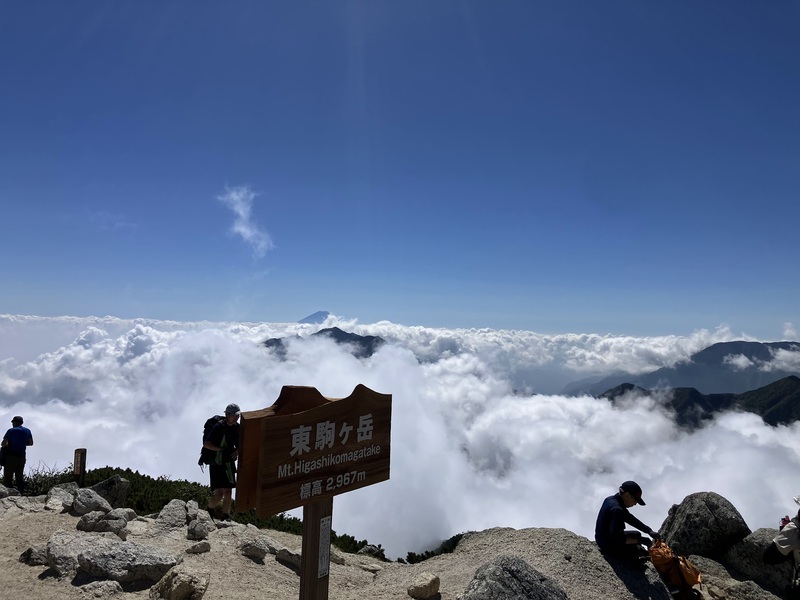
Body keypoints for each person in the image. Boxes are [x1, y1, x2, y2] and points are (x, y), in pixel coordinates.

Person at [595, 480, 661, 570]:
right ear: (627, 495)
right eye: (635, 500)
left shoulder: (611, 500)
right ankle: (632, 562)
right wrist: (640, 540)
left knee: (636, 535)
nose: (635, 504)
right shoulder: (617, 510)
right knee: (635, 543)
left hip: (601, 538)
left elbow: (629, 518)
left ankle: (634, 552)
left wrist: (648, 530)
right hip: (607, 545)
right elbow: (618, 539)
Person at [204, 403, 240, 521]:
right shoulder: (218, 426)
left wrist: (238, 450)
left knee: (228, 491)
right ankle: (209, 509)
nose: (236, 418)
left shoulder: (237, 428)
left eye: (238, 416)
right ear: (227, 414)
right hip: (217, 462)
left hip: (228, 462)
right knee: (219, 492)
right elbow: (207, 444)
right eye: (234, 416)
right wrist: (220, 450)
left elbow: (242, 443)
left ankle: (225, 515)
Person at [2, 415, 34, 493]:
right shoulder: (27, 431)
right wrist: (22, 443)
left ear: (14, 422)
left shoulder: (11, 431)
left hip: (11, 457)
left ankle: (8, 495)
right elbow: (31, 443)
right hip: (22, 456)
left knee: (8, 476)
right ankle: (21, 493)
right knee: (19, 476)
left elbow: (3, 444)